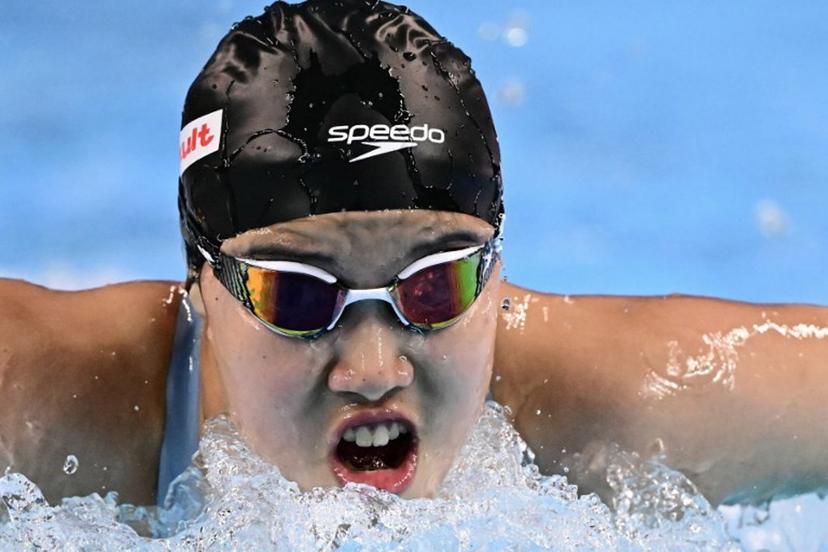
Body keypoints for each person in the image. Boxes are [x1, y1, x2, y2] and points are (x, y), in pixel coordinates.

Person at [1, 0, 827, 509]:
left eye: (434, 285)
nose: (371, 368)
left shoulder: (614, 410)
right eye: (298, 296)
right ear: (200, 286)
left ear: (495, 272)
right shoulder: (47, 411)